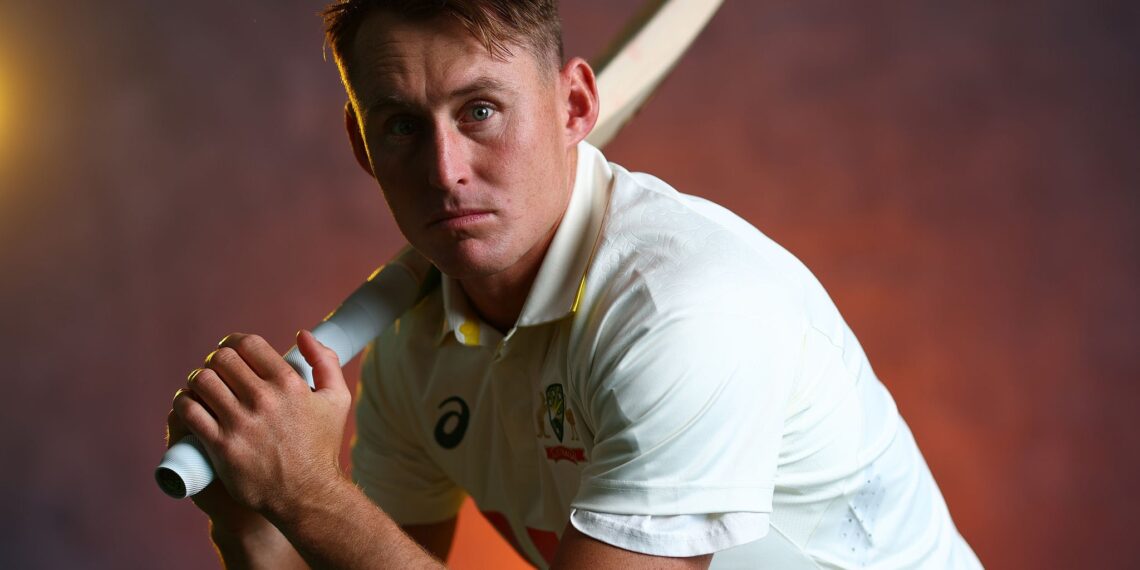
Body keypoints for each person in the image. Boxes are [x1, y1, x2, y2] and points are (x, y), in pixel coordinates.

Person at [167, 1, 983, 568]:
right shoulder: (413, 349)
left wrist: (310, 493)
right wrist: (258, 519)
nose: (445, 172)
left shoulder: (683, 307)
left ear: (576, 104)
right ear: (361, 144)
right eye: (403, 126)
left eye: (480, 111)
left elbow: (337, 525)